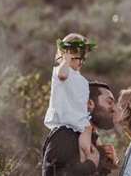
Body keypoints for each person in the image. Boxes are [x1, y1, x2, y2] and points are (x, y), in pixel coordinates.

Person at [42, 81, 119, 176]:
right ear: (89, 104)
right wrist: (90, 165)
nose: (114, 109)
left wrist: (105, 165)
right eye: (109, 102)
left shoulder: (91, 138)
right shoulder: (66, 133)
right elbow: (54, 173)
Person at [44, 33, 97, 164]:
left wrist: (87, 107)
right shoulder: (61, 71)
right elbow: (62, 75)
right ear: (66, 55)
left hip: (79, 129)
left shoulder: (82, 81)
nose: (81, 61)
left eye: (83, 58)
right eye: (77, 57)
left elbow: (78, 104)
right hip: (64, 127)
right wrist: (66, 60)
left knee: (87, 140)